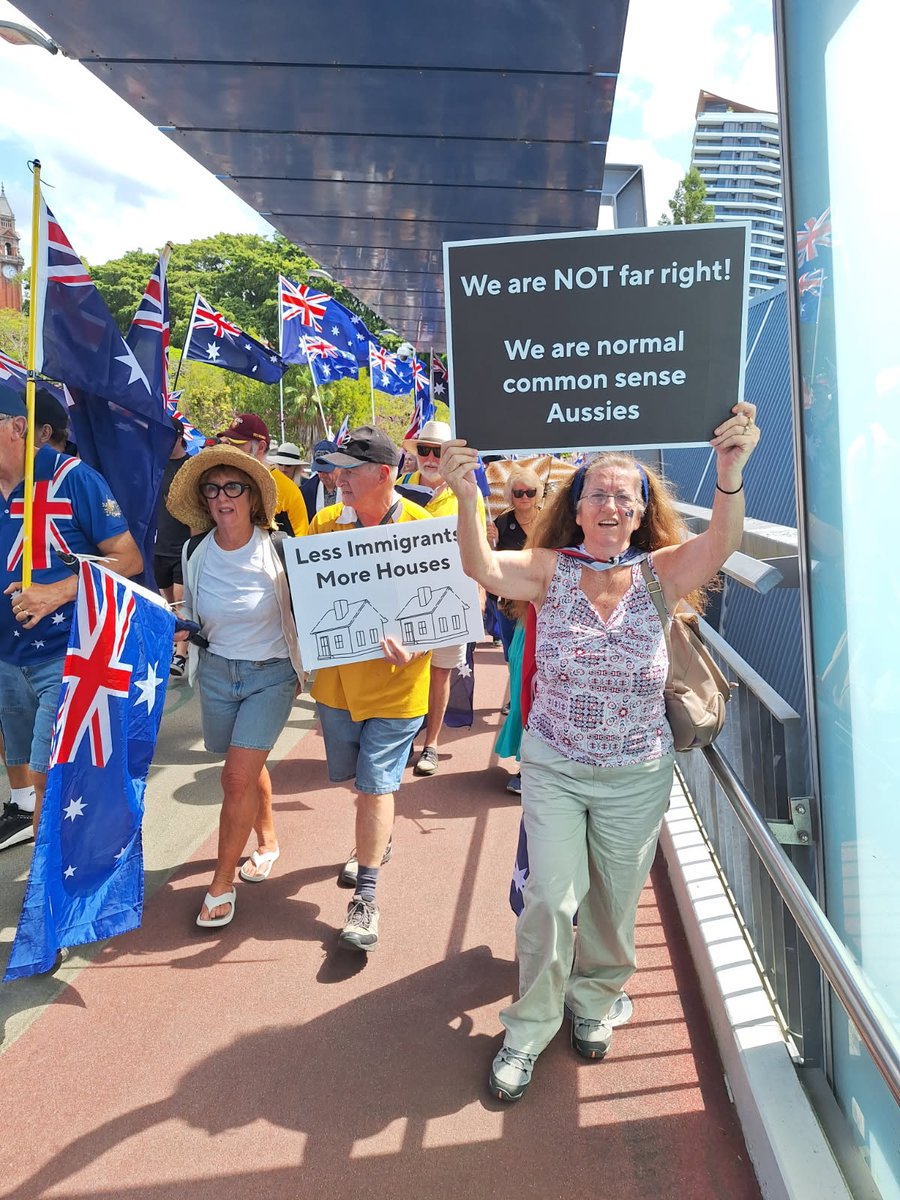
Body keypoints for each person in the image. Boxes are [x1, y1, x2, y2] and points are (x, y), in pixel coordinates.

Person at [440, 402, 760, 1102]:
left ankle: (593, 1002)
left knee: (615, 906)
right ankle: (527, 1029)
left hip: (636, 773)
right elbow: (482, 564)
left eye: (625, 496)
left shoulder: (660, 574)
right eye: (597, 494)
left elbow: (723, 545)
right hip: (555, 765)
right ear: (576, 509)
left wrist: (730, 474)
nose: (611, 504)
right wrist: (466, 496)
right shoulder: (550, 569)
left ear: (642, 513)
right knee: (551, 900)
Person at [0, 382, 143, 850]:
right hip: (6, 661)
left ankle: (47, 901)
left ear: (19, 427)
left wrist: (56, 593)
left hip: (62, 657)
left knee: (48, 781)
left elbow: (128, 559)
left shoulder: (72, 478)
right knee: (26, 770)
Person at [166, 443, 303, 928]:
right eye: (213, 489)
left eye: (233, 487)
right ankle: (267, 840)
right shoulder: (193, 551)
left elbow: (313, 611)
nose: (222, 497)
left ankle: (221, 884)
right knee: (243, 762)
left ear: (251, 498)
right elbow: (192, 612)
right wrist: (177, 624)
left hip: (272, 674)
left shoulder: (280, 550)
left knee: (236, 778)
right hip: (218, 674)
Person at [308, 425, 431, 952]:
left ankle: (366, 899)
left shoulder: (426, 528)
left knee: (376, 784)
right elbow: (310, 598)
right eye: (336, 468)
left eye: (350, 470)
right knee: (359, 786)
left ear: (384, 474)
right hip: (337, 687)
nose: (338, 478)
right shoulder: (324, 523)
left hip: (398, 687)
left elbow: (453, 604)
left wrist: (420, 644)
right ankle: (376, 840)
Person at [398, 419, 487, 776]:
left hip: (450, 596)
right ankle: (403, 739)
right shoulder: (399, 488)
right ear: (417, 453)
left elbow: (479, 543)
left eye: (439, 451)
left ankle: (430, 744)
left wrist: (479, 591)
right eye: (425, 450)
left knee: (440, 673)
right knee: (404, 672)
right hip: (403, 599)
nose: (431, 458)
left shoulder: (468, 492)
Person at [215, 413, 309, 538]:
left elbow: (300, 545)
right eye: (229, 443)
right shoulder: (220, 482)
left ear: (260, 447)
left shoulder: (287, 491)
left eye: (237, 444)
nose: (231, 449)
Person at [488, 465, 545, 661]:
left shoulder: (549, 521)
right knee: (514, 655)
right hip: (511, 600)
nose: (525, 497)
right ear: (510, 495)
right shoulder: (501, 523)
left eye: (530, 492)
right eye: (519, 492)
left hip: (543, 599)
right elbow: (491, 561)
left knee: (542, 655)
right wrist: (490, 542)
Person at [153, 416, 192, 678]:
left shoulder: (192, 467)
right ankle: (171, 643)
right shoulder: (154, 465)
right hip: (158, 546)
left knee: (180, 602)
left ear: (179, 437)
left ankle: (181, 653)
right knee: (167, 604)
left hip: (183, 546)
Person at [299, 438, 341, 521]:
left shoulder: (352, 487)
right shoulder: (306, 491)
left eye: (327, 470)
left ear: (339, 465)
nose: (323, 475)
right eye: (320, 470)